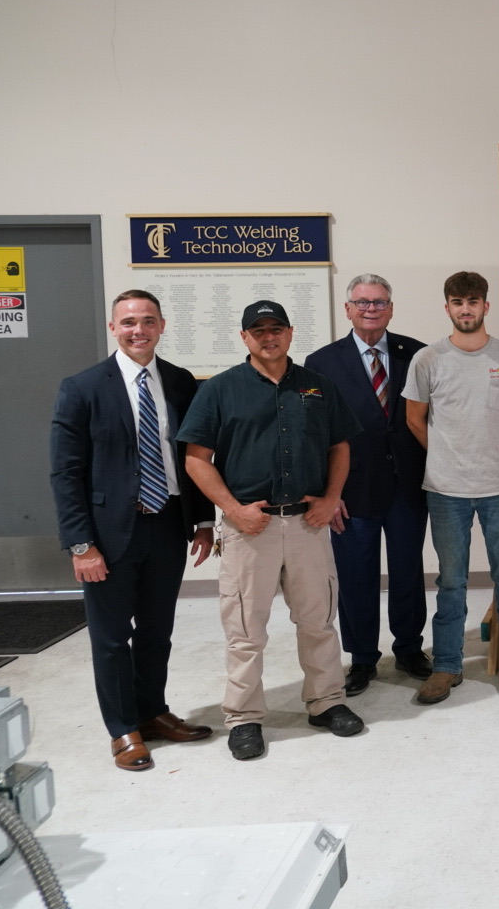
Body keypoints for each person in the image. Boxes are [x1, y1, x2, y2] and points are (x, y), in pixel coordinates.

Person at [178, 300, 364, 761]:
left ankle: (326, 703)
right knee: (245, 629)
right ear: (244, 337)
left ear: (290, 332)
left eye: (276, 328)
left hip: (307, 523)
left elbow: (340, 446)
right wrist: (233, 510)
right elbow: (196, 459)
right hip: (250, 529)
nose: (268, 337)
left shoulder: (318, 387)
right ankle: (244, 718)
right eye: (257, 330)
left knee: (318, 620)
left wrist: (330, 497)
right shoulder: (220, 390)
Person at [49, 290, 216, 772]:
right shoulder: (81, 388)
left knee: (157, 632)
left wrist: (203, 520)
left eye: (147, 321)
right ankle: (123, 729)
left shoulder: (183, 382)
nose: (137, 330)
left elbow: (195, 458)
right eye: (128, 322)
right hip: (106, 534)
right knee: (110, 637)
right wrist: (81, 544)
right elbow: (65, 472)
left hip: (167, 524)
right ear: (112, 328)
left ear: (162, 326)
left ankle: (153, 713)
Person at [402, 272, 499, 703]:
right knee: (452, 580)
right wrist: (445, 453)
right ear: (447, 308)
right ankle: (446, 666)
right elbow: (414, 420)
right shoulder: (427, 360)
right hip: (445, 489)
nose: (466, 309)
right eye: (457, 302)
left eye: (473, 302)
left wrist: (494, 454)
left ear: (486, 306)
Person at [303, 273, 430, 697]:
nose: (370, 309)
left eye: (379, 302)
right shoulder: (322, 362)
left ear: (390, 308)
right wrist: (327, 493)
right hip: (351, 489)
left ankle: (410, 648)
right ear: (348, 309)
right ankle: (361, 658)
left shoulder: (415, 353)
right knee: (356, 577)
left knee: (409, 571)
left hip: (409, 485)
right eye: (362, 302)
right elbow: (314, 432)